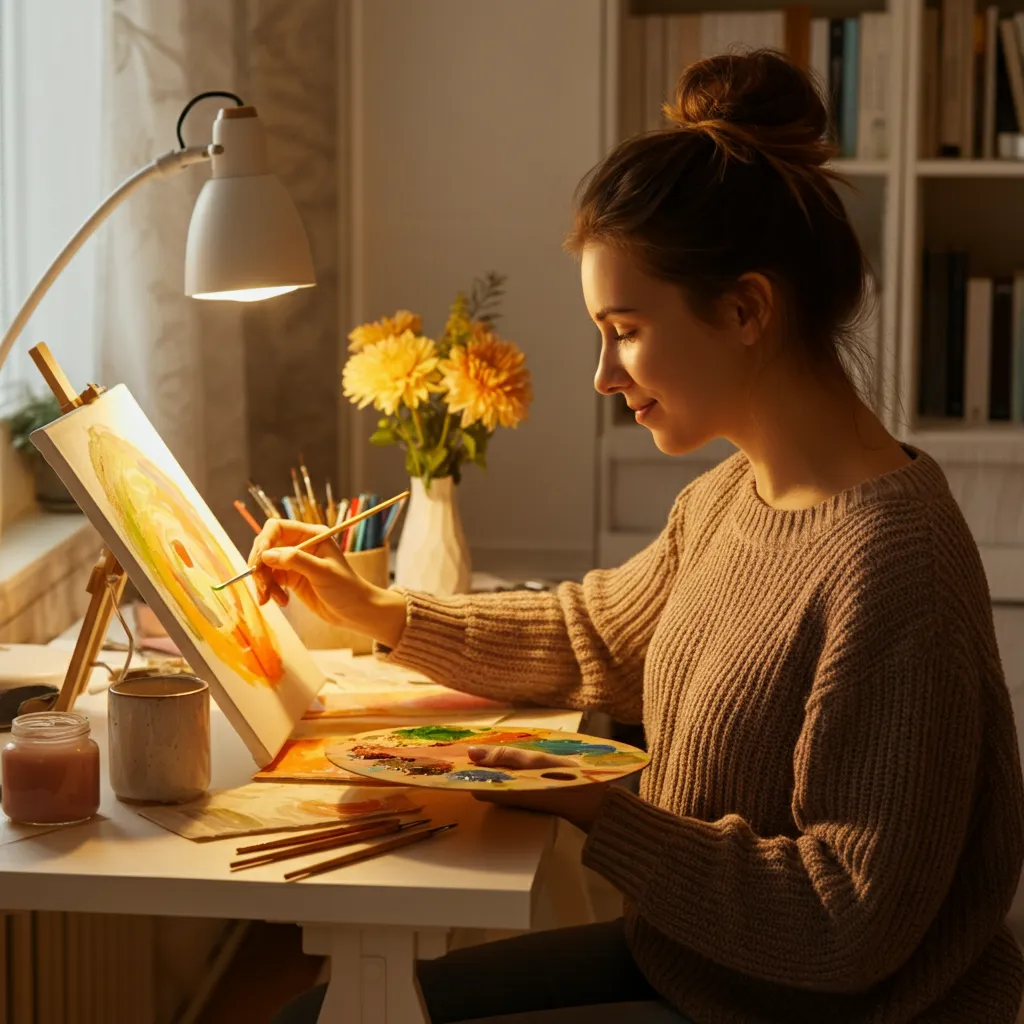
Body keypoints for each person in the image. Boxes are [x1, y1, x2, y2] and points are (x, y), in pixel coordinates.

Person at [265, 50, 1024, 1024]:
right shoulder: (727, 501)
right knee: (312, 1016)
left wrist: (595, 808)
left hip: (813, 1008)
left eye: (621, 328)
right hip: (700, 966)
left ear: (746, 309)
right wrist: (379, 610)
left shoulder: (892, 564)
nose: (602, 373)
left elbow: (844, 921)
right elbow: (593, 637)